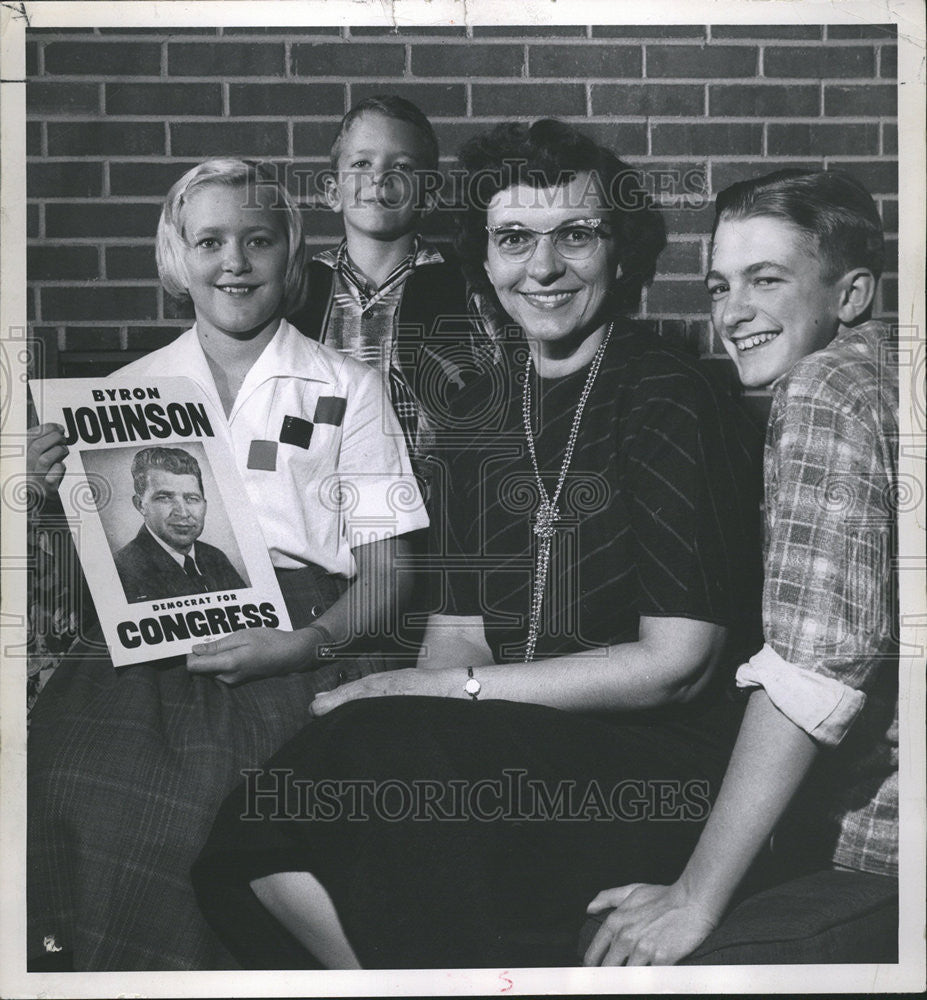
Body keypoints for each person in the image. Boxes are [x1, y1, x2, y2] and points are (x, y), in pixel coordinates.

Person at [190, 119, 764, 970]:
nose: (541, 268)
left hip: (657, 759)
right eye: (512, 240)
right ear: (485, 258)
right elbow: (454, 631)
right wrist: (412, 697)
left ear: (621, 251)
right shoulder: (478, 410)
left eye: (575, 235)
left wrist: (444, 699)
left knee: (391, 755)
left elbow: (675, 664)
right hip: (509, 735)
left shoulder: (673, 392)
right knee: (263, 829)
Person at [26, 158, 428, 970]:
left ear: (290, 254)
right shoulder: (124, 392)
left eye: (257, 240)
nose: (234, 261)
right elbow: (85, 587)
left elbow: (389, 578)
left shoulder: (343, 386)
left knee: (215, 808)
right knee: (69, 782)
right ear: (178, 257)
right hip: (145, 639)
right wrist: (39, 493)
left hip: (301, 632)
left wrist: (305, 644)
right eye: (209, 241)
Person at [583, 170, 898, 966]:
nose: (731, 312)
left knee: (627, 953)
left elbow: (812, 667)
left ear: (850, 293)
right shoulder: (898, 365)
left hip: (882, 846)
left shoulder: (827, 387)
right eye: (719, 285)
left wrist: (693, 896)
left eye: (766, 280)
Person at [288, 95, 488, 498]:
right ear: (332, 190)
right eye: (362, 164)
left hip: (434, 518)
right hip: (321, 515)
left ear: (429, 195)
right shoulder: (299, 291)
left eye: (402, 167)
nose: (379, 178)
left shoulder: (468, 292)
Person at [113, 446, 246, 602]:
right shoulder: (121, 570)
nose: (182, 513)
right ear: (141, 505)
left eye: (192, 499)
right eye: (165, 497)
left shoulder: (215, 558)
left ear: (204, 504)